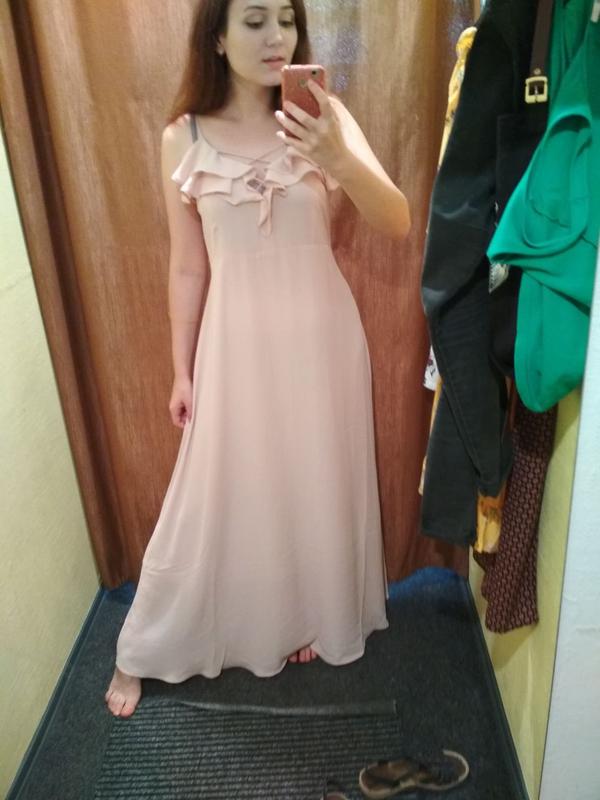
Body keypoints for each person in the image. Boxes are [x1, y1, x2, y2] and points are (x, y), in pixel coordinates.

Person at [105, 0, 410, 718]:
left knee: (312, 478)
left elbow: (396, 220)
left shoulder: (323, 118)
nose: (277, 37)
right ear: (216, 37)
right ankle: (146, 645)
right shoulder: (182, 138)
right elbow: (188, 267)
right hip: (234, 343)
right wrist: (181, 369)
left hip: (322, 340)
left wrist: (336, 156)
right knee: (219, 489)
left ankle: (303, 616)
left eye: (287, 19)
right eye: (254, 20)